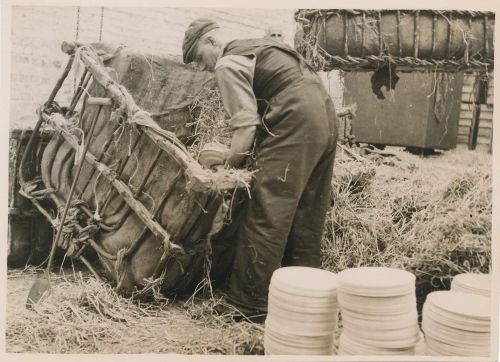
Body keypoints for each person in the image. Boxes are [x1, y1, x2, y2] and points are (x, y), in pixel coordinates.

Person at [182, 18, 338, 322]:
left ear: (212, 42)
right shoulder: (258, 46)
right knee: (308, 209)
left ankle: (249, 304)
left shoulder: (227, 63)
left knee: (267, 205)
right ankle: (304, 299)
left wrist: (228, 165)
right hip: (324, 114)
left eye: (200, 58)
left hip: (295, 116)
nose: (203, 67)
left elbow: (245, 128)